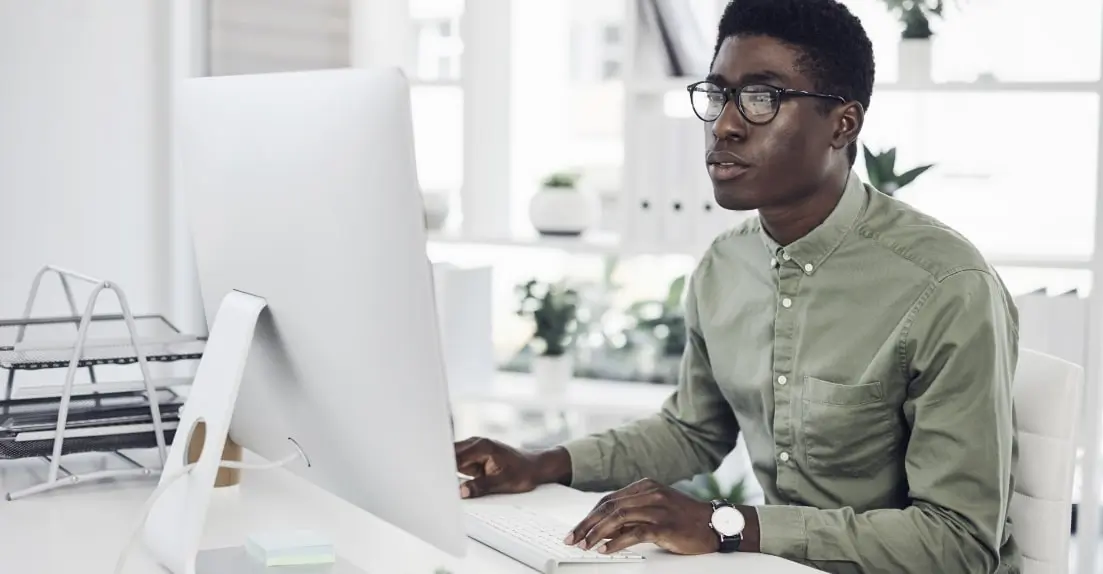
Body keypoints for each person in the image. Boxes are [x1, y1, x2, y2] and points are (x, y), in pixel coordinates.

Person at [453, 0, 1020, 572]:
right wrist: (540, 464)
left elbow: (959, 541)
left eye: (761, 97)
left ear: (843, 124)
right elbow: (692, 431)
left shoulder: (947, 286)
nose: (724, 124)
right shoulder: (725, 266)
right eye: (719, 94)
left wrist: (726, 526)